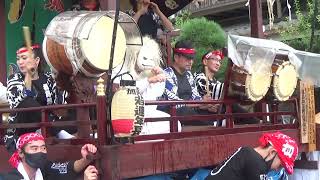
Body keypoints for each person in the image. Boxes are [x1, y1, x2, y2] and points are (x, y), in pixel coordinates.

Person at [5, 44, 75, 153]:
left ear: (36, 61)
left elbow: (59, 101)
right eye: (18, 59)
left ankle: (59, 130)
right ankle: (59, 131)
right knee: (27, 102)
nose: (20, 62)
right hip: (25, 126)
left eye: (24, 58)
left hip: (48, 123)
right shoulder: (14, 79)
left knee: (76, 108)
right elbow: (23, 98)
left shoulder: (48, 78)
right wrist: (28, 75)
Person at [0, 132, 97, 180]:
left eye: (43, 148)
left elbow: (68, 168)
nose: (40, 152)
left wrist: (86, 158)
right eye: (34, 148)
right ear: (21, 153)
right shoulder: (10, 178)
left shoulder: (44, 169)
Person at [205, 132, 298, 180]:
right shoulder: (255, 162)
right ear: (272, 152)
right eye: (281, 165)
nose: (278, 169)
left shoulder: (247, 152)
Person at [162, 40, 214, 126]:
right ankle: (213, 125)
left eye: (192, 59)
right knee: (184, 111)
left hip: (191, 111)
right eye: (187, 58)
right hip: (176, 114)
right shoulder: (166, 74)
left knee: (219, 108)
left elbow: (196, 97)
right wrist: (199, 102)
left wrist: (206, 104)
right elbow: (175, 103)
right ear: (176, 57)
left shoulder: (189, 75)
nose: (191, 62)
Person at [194, 50, 224, 114]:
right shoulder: (199, 78)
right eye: (215, 59)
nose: (218, 63)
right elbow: (216, 92)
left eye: (219, 61)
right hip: (202, 113)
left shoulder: (217, 82)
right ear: (205, 61)